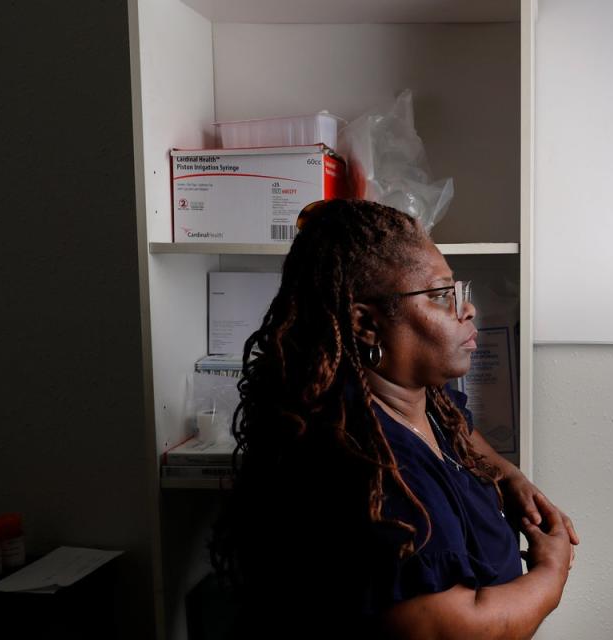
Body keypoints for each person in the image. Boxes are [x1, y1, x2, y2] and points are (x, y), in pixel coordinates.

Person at [210, 198, 578, 638]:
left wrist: (508, 476)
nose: (467, 309)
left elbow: (462, 435)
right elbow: (461, 631)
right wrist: (551, 571)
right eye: (442, 296)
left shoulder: (421, 402)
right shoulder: (368, 465)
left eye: (458, 291)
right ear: (366, 324)